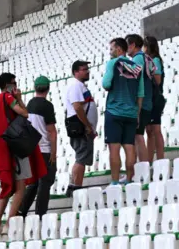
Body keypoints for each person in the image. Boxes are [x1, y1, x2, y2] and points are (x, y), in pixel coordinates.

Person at [0, 73, 46, 233]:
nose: (16, 84)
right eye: (14, 82)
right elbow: (25, 113)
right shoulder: (7, 98)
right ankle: (9, 224)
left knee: (7, 187)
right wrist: (19, 98)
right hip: (16, 148)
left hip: (4, 150)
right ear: (8, 85)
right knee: (20, 188)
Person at [103, 37, 144, 185]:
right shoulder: (136, 66)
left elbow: (106, 84)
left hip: (114, 111)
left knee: (114, 148)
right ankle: (128, 179)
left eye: (111, 48)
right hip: (131, 113)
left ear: (119, 49)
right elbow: (140, 93)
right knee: (129, 147)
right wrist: (137, 113)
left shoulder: (113, 63)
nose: (110, 52)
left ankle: (114, 182)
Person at [20, 76, 58, 216]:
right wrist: (53, 153)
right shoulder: (47, 106)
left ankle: (21, 211)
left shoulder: (30, 104)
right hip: (44, 149)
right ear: (48, 88)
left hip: (32, 149)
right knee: (45, 182)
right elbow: (51, 131)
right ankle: (40, 214)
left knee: (34, 183)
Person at [64, 61, 98, 197]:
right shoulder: (75, 86)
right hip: (81, 127)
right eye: (84, 69)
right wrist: (88, 126)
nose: (87, 71)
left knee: (81, 157)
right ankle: (75, 188)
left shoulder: (79, 86)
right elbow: (77, 107)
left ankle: (75, 186)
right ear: (76, 72)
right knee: (81, 157)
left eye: (87, 69)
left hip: (82, 127)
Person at [126, 34, 155, 162]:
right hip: (147, 103)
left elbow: (134, 82)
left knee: (138, 136)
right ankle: (141, 169)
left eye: (127, 45)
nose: (126, 49)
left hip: (141, 104)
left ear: (132, 45)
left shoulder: (137, 59)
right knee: (138, 136)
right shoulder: (145, 57)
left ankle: (142, 169)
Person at [144, 36, 166, 161]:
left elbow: (157, 81)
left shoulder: (155, 60)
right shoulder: (149, 60)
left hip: (155, 99)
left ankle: (161, 159)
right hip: (149, 99)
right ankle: (150, 161)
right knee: (149, 131)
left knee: (156, 130)